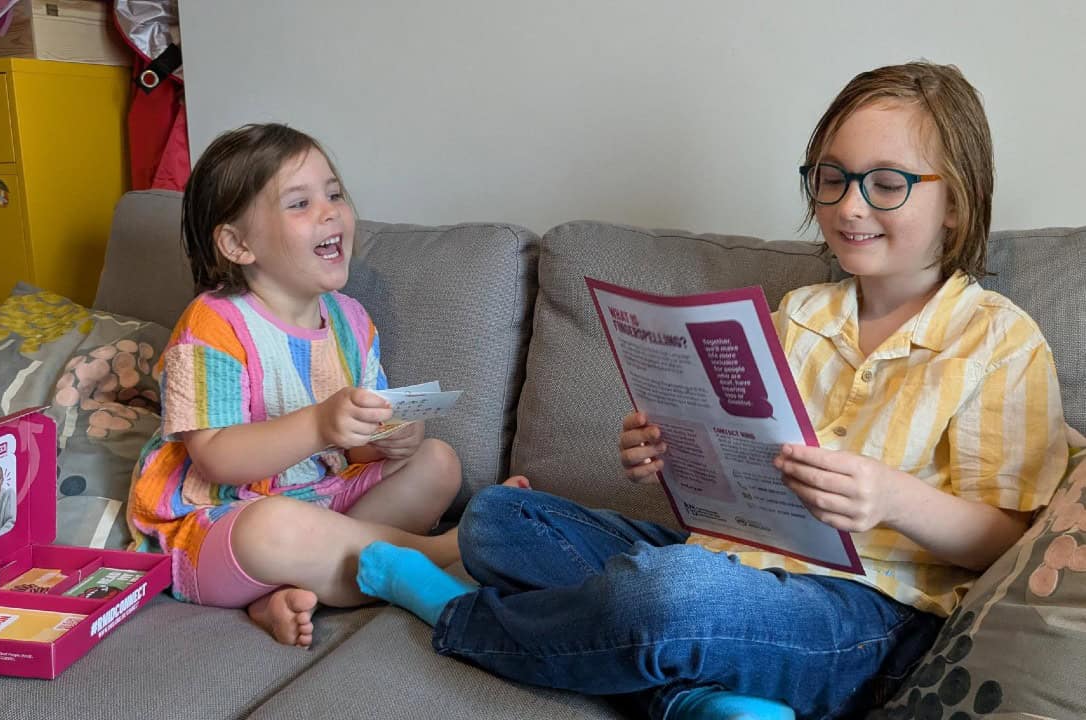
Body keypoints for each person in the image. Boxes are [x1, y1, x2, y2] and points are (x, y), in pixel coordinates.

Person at [354, 61, 1077, 719]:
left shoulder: (997, 342)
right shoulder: (798, 317)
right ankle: (695, 697)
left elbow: (1008, 545)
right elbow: (732, 480)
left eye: (887, 183)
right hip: (730, 561)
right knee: (495, 517)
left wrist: (892, 499)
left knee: (664, 596)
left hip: (870, 615)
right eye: (832, 177)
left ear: (956, 204)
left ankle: (459, 614)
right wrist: (669, 450)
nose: (850, 206)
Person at [127, 123, 466, 648]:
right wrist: (317, 423)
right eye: (300, 203)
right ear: (238, 244)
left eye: (333, 194)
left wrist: (390, 439)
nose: (330, 211)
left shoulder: (351, 320)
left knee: (438, 462)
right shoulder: (213, 323)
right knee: (274, 527)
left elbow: (358, 441)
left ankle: (281, 591)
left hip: (318, 498)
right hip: (221, 520)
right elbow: (214, 458)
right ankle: (439, 553)